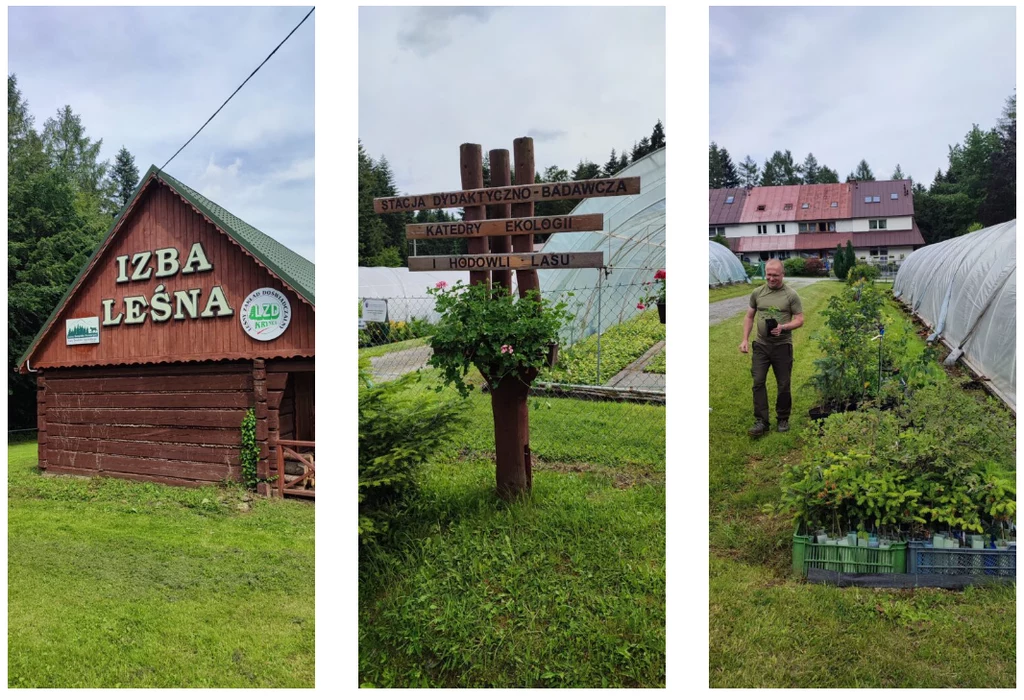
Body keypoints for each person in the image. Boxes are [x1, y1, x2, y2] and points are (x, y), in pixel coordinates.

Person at [738, 259, 804, 436]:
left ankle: (783, 418)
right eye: (768, 274)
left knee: (783, 384)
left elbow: (800, 319)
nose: (771, 278)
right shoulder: (757, 292)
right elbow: (749, 316)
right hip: (761, 346)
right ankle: (761, 421)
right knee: (758, 381)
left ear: (783, 274)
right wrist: (744, 339)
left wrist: (784, 327)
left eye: (775, 275)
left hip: (782, 346)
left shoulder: (791, 295)